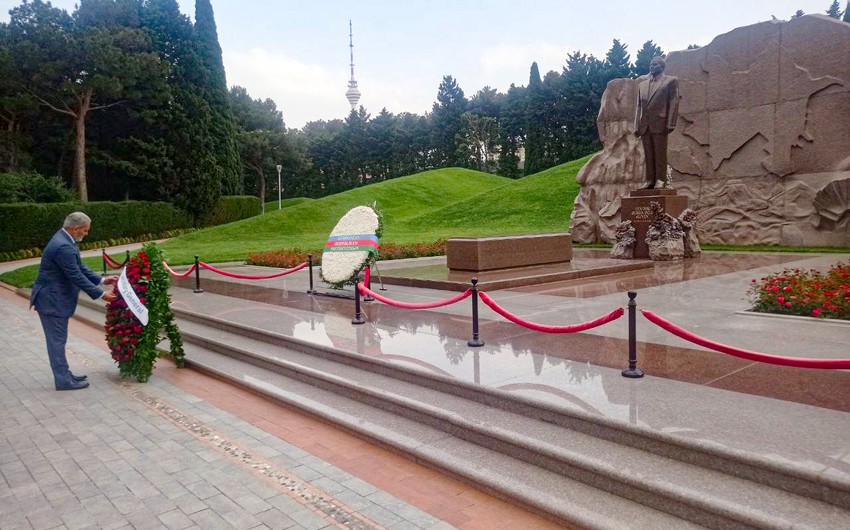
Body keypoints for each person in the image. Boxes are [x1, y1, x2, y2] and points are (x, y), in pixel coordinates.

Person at [30, 212, 118, 391]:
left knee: (58, 340)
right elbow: (75, 275)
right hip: (52, 301)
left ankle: (64, 374)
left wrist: (102, 280)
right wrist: (101, 294)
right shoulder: (63, 245)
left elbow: (79, 266)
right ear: (76, 228)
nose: (86, 233)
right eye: (85, 230)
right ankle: (62, 380)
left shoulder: (65, 239)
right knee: (56, 341)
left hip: (52, 298)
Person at [634, 56, 680, 189]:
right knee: (648, 154)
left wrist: (671, 122)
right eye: (650, 64)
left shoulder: (671, 81)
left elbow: (674, 101)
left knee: (660, 153)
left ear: (661, 67)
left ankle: (660, 179)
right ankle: (649, 180)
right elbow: (638, 106)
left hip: (660, 122)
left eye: (654, 64)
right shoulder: (642, 85)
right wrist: (636, 125)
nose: (651, 67)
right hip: (645, 124)